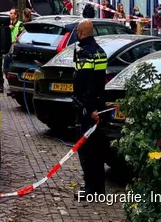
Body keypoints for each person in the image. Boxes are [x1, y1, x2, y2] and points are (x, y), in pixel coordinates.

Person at [71, 19, 108, 196]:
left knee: (86, 149)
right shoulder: (100, 52)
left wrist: (87, 107)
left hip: (87, 108)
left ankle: (90, 188)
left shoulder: (84, 53)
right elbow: (99, 82)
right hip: (97, 106)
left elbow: (84, 82)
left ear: (80, 32)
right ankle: (98, 187)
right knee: (97, 149)